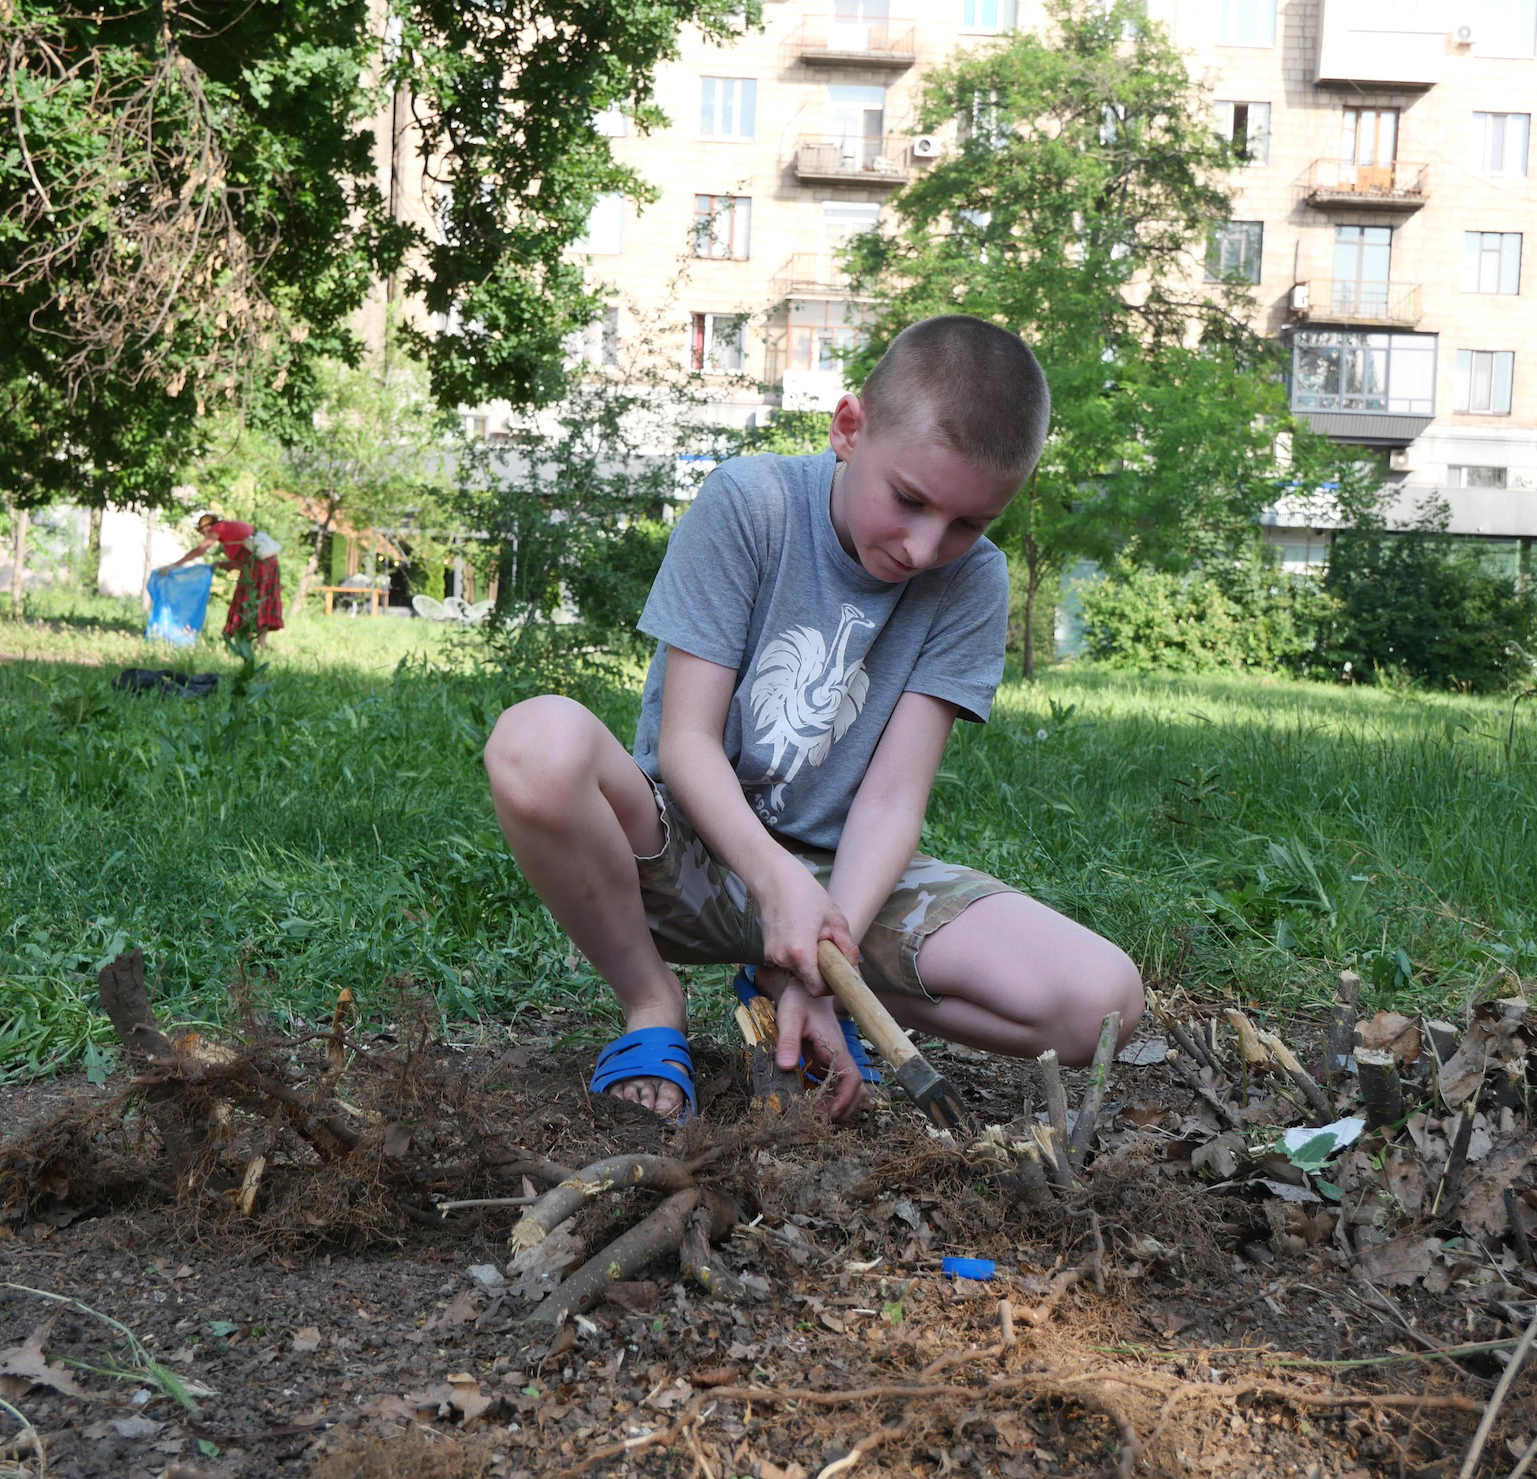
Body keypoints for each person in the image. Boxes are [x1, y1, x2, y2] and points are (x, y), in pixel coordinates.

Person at [483, 315, 1144, 1122]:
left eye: (969, 523)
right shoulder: (750, 503)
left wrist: (819, 958)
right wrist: (776, 884)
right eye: (909, 499)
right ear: (849, 428)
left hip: (846, 883)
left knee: (1103, 1003)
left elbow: (893, 802)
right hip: (684, 850)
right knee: (535, 742)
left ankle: (792, 986)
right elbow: (687, 747)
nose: (927, 547)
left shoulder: (973, 582)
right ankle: (653, 1004)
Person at [162, 513, 284, 649]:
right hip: (269, 566)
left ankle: (247, 643)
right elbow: (239, 563)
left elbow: (201, 549)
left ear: (207, 527)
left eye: (202, 531)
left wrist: (174, 566)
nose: (204, 534)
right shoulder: (233, 530)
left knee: (247, 600)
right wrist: (220, 564)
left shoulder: (220, 527)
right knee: (262, 601)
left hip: (256, 567)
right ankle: (257, 644)